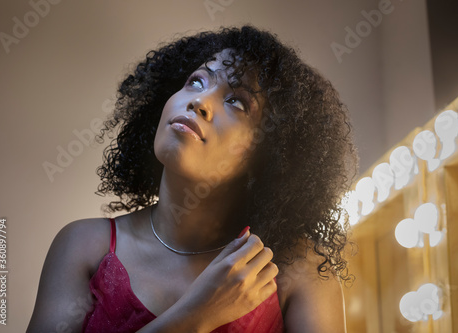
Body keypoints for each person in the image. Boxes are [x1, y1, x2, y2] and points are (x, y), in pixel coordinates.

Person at [27, 25, 357, 332]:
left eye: (236, 102)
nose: (199, 101)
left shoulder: (293, 271)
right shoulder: (85, 247)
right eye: (197, 81)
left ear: (269, 157)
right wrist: (196, 315)